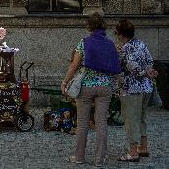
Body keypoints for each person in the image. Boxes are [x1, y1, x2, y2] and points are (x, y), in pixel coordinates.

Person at [61, 12, 121, 167]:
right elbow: (115, 66)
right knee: (102, 123)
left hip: (86, 86)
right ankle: (99, 159)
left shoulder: (84, 43)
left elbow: (74, 65)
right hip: (104, 87)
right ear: (103, 27)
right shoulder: (110, 44)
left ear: (89, 27)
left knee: (82, 123)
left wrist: (65, 82)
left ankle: (79, 157)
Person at [115, 20, 158, 162]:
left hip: (131, 90)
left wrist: (144, 72)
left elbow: (131, 66)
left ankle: (133, 153)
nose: (116, 35)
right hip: (146, 88)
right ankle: (143, 148)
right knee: (142, 118)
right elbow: (150, 60)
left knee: (131, 120)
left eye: (116, 33)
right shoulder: (141, 44)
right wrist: (148, 72)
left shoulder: (125, 48)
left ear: (121, 34)